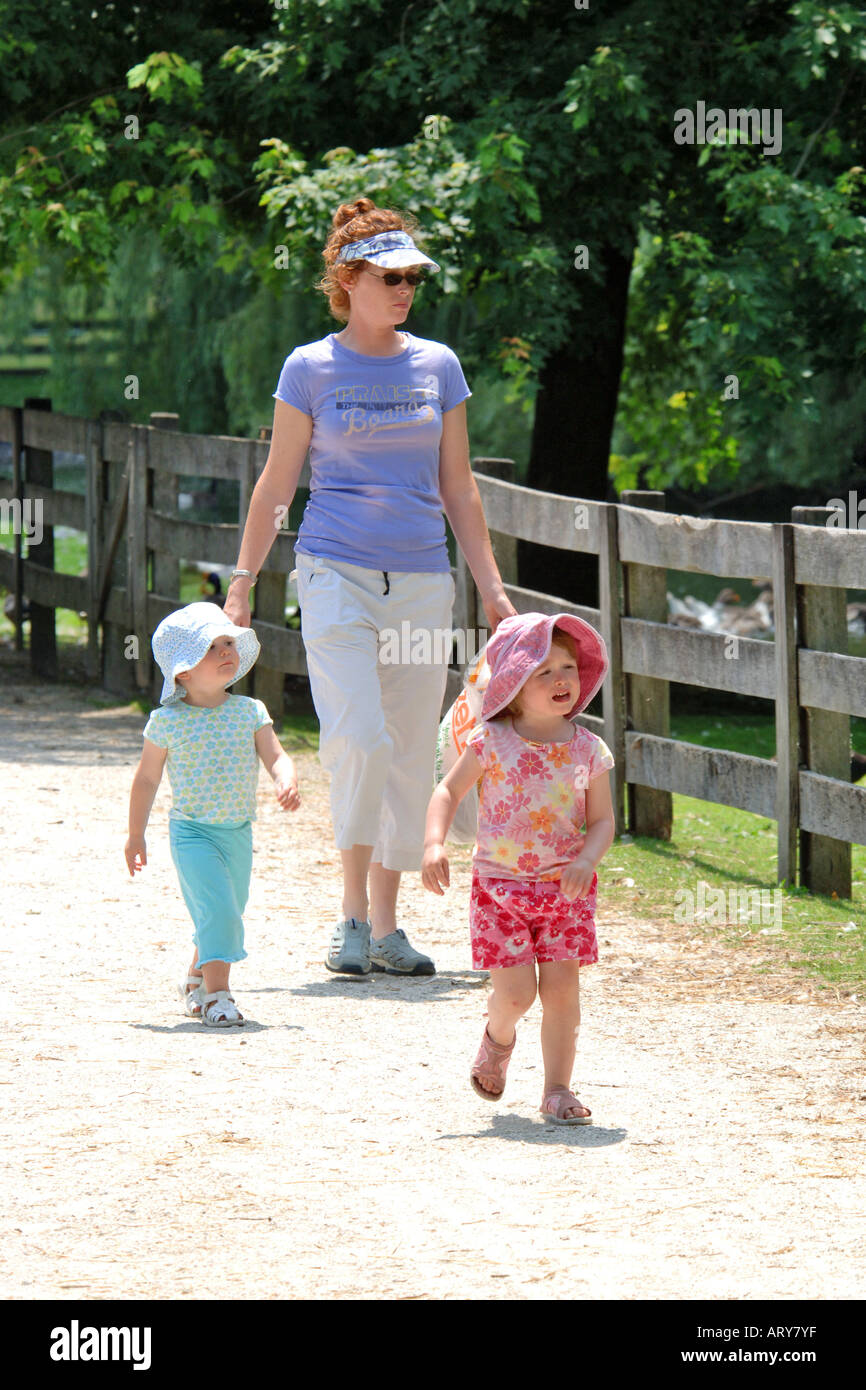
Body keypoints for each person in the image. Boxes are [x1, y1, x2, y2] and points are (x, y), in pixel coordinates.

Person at [223, 196, 515, 978]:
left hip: (423, 580)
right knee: (359, 736)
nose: (405, 289)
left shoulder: (439, 366)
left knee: (410, 750)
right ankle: (349, 914)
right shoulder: (310, 367)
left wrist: (490, 587)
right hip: (334, 573)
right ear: (347, 280)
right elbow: (278, 482)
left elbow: (460, 488)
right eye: (389, 276)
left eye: (413, 277)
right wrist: (244, 580)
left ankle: (386, 928)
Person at [421, 613, 616, 1124]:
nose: (561, 680)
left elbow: (602, 822)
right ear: (510, 683)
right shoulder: (491, 742)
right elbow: (447, 791)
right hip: (500, 891)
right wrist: (433, 843)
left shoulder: (588, 750)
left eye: (569, 667)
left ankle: (557, 1089)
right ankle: (497, 1036)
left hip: (566, 892)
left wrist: (587, 858)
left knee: (561, 992)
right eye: (543, 671)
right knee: (516, 994)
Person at [125, 602, 301, 1026]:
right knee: (219, 911)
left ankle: (194, 978)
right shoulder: (166, 721)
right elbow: (146, 780)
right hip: (192, 834)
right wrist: (136, 835)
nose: (226, 651)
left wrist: (284, 778)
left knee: (226, 910)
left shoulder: (249, 711)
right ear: (182, 671)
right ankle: (218, 996)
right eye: (211, 647)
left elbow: (275, 755)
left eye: (228, 643)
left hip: (237, 831)